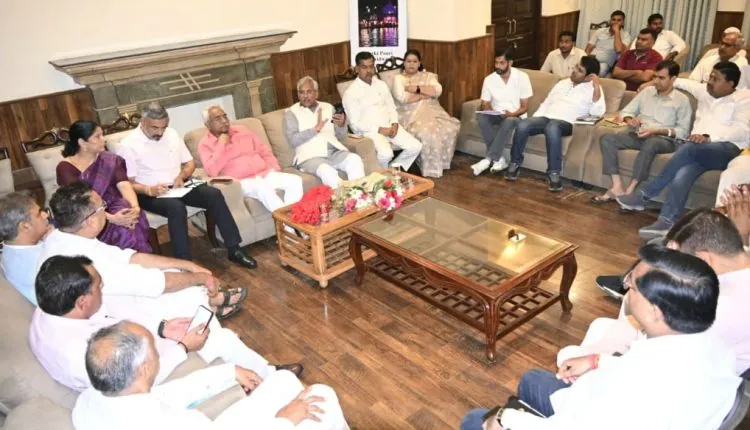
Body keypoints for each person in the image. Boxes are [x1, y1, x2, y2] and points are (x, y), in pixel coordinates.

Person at [461, 244, 741, 430]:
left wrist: (505, 418)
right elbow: (641, 369)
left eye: (633, 287)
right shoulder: (712, 346)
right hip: (597, 408)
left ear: (655, 311)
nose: (626, 287)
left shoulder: (638, 389)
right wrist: (596, 361)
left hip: (584, 419)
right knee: (532, 379)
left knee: (475, 420)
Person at [30, 255, 302, 393]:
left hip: (133, 358)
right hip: (144, 387)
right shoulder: (75, 351)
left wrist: (162, 327)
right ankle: (271, 381)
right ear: (81, 301)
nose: (103, 290)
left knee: (208, 330)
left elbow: (110, 313)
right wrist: (183, 348)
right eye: (98, 287)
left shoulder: (55, 309)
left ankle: (265, 373)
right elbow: (138, 380)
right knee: (220, 340)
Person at [559, 209, 750, 375]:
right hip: (679, 356)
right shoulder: (739, 266)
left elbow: (659, 362)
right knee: (600, 325)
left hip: (673, 375)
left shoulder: (724, 308)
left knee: (567, 355)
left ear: (704, 260)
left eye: (679, 262)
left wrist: (597, 361)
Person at [72, 321, 348, 430]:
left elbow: (165, 394)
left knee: (284, 380)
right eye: (154, 350)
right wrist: (286, 419)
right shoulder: (163, 424)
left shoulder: (92, 398)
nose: (158, 353)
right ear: (144, 368)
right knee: (320, 396)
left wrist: (229, 372)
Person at [40, 182, 246, 318]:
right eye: (102, 206)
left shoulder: (64, 236)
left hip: (116, 292)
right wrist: (201, 278)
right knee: (180, 288)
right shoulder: (84, 263)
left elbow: (130, 257)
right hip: (112, 313)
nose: (106, 209)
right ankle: (211, 304)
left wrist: (187, 264)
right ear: (92, 221)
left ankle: (209, 301)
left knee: (174, 271)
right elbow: (156, 283)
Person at [618, 62, 750, 239]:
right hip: (699, 149)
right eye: (710, 77)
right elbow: (679, 81)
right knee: (684, 172)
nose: (710, 82)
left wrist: (708, 137)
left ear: (731, 84)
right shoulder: (704, 91)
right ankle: (667, 221)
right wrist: (651, 82)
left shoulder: (744, 99)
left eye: (716, 79)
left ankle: (646, 194)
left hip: (727, 149)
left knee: (688, 148)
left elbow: (742, 130)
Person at [116, 102, 256, 268]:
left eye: (163, 127)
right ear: (143, 121)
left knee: (214, 194)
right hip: (149, 193)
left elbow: (190, 163)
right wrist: (149, 189)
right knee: (176, 207)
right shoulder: (128, 145)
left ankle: (234, 249)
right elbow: (127, 183)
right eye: (155, 128)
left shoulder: (172, 134)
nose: (160, 133)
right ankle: (184, 263)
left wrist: (182, 176)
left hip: (178, 185)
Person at [593, 60, 691, 203]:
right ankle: (617, 186)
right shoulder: (647, 92)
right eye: (655, 77)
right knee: (607, 138)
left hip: (664, 140)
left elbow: (683, 131)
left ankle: (630, 191)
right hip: (639, 134)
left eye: (661, 78)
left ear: (673, 79)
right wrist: (629, 119)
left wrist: (658, 131)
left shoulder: (682, 100)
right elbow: (626, 111)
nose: (656, 81)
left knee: (651, 143)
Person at [505, 56, 605, 192]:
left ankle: (554, 172)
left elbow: (597, 113)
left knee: (552, 127)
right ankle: (514, 163)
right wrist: (535, 119)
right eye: (576, 66)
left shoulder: (593, 89)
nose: (574, 70)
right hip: (546, 117)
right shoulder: (562, 83)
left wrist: (596, 87)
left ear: (589, 77)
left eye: (580, 70)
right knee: (523, 125)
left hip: (567, 122)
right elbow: (547, 102)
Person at [57, 120, 151, 253]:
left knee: (128, 212)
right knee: (124, 227)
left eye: (102, 135)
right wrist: (112, 218)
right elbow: (79, 203)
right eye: (97, 136)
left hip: (117, 207)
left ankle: (137, 259)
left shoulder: (109, 159)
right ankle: (132, 260)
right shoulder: (65, 168)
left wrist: (135, 208)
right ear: (82, 142)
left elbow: (124, 185)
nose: (103, 139)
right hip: (89, 215)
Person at [198, 105, 304, 215]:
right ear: (207, 124)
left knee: (295, 180)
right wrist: (221, 145)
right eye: (218, 119)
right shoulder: (205, 145)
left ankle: (292, 218)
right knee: (263, 188)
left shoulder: (242, 130)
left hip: (264, 174)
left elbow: (263, 150)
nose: (224, 121)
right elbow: (211, 171)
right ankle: (289, 223)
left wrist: (274, 168)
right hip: (242, 181)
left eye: (225, 116)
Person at [342, 51, 423, 171]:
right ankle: (384, 175)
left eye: (371, 66)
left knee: (416, 146)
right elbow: (355, 124)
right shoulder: (351, 93)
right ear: (357, 69)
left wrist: (394, 123)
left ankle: (391, 171)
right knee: (386, 154)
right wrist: (380, 130)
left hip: (390, 126)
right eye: (364, 67)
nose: (369, 71)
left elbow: (391, 107)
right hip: (370, 132)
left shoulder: (381, 84)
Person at [283, 77, 365, 188]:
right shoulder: (291, 113)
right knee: (327, 172)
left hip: (334, 152)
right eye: (301, 92)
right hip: (310, 156)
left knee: (355, 160)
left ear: (316, 93)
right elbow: (293, 140)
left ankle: (358, 195)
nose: (305, 96)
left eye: (309, 92)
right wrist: (314, 130)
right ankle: (343, 198)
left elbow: (340, 136)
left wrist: (341, 125)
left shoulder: (328, 107)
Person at [391, 49, 460, 178]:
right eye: (408, 61)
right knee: (428, 132)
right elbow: (403, 98)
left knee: (449, 127)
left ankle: (440, 164)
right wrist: (425, 94)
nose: (411, 64)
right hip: (409, 115)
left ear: (419, 63)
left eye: (414, 61)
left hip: (433, 111)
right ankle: (429, 168)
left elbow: (437, 91)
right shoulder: (399, 78)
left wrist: (415, 89)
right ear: (404, 63)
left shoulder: (428, 76)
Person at [472, 48, 533, 176]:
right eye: (496, 63)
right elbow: (485, 102)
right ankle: (499, 159)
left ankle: (488, 159)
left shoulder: (522, 77)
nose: (498, 66)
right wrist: (489, 110)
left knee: (509, 121)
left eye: (502, 63)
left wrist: (511, 114)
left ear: (510, 63)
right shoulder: (489, 79)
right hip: (497, 114)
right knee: (482, 118)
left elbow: (524, 107)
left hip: (516, 115)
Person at [0, 192, 51, 303]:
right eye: (39, 213)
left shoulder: (11, 249)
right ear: (25, 226)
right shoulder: (40, 266)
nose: (45, 215)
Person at [585, 10, 632, 76]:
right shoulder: (599, 31)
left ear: (623, 23)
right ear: (610, 21)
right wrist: (586, 60)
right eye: (613, 20)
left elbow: (618, 49)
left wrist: (617, 32)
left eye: (619, 20)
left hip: (604, 63)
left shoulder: (626, 35)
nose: (615, 22)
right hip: (591, 59)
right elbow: (588, 48)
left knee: (596, 73)